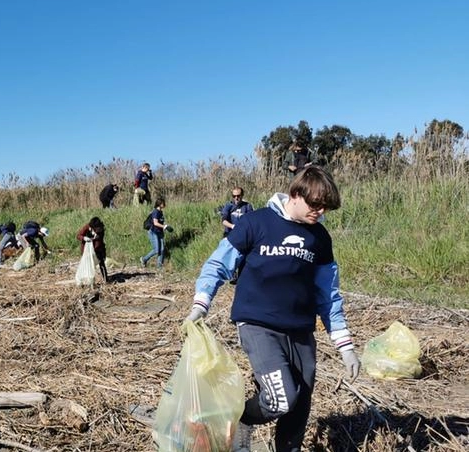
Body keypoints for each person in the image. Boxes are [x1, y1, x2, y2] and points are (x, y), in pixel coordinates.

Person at [184, 166, 360, 452]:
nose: (320, 211)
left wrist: (345, 345)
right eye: (315, 204)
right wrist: (201, 304)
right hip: (258, 325)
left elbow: (328, 294)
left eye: (325, 206)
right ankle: (241, 418)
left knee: (300, 404)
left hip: (301, 330)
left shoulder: (320, 238)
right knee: (281, 398)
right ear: (295, 194)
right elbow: (218, 263)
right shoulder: (256, 223)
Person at [76, 217, 108, 283]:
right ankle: (89, 280)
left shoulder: (101, 229)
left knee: (101, 263)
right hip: (86, 250)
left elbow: (99, 242)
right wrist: (84, 238)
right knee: (88, 265)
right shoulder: (87, 227)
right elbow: (78, 235)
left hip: (98, 249)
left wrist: (95, 238)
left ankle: (106, 279)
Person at [140, 198, 168, 268]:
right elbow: (155, 223)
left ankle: (159, 267)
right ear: (160, 204)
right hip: (153, 232)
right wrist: (164, 226)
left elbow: (160, 222)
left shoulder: (160, 212)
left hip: (160, 232)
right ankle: (144, 259)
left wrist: (165, 227)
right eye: (163, 203)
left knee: (162, 249)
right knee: (156, 250)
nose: (164, 204)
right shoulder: (156, 212)